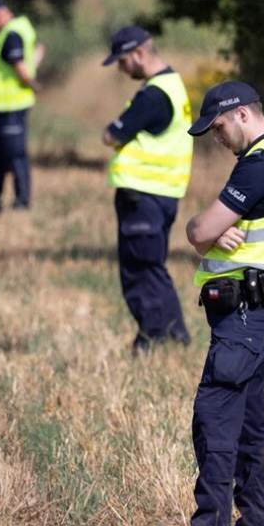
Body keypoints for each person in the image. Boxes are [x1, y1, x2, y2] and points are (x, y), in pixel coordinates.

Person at [184, 80, 264, 526]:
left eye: (218, 128)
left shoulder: (258, 166)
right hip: (254, 310)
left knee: (214, 417)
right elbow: (208, 233)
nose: (217, 138)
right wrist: (209, 230)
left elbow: (197, 232)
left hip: (248, 312)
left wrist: (204, 228)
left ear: (243, 115)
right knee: (250, 428)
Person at [101, 26, 193, 353]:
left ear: (139, 53)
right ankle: (174, 335)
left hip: (142, 194)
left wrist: (111, 129)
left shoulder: (153, 95)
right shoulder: (174, 85)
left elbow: (113, 134)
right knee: (153, 266)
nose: (120, 68)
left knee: (139, 269)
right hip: (164, 192)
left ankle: (153, 338)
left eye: (122, 61)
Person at [0, 0, 44, 213]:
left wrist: (33, 84)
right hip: (4, 107)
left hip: (11, 107)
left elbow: (20, 66)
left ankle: (21, 203)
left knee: (15, 156)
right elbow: (35, 54)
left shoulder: (10, 34)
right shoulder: (14, 30)